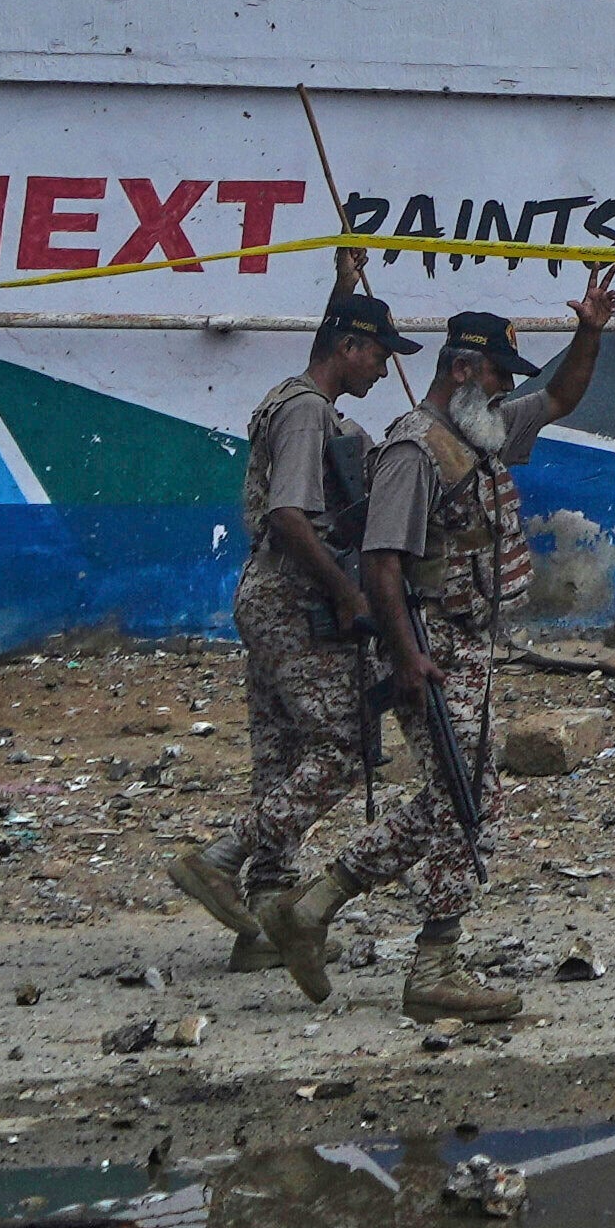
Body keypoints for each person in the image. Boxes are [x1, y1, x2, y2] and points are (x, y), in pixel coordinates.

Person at [346, 283, 615, 1034]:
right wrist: (408, 662)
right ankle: (433, 966)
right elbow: (380, 563)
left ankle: (315, 903)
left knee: (463, 794)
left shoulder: (483, 430)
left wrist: (592, 334)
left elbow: (560, 397)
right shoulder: (416, 447)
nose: (512, 387)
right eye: (501, 373)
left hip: (470, 642)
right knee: (468, 803)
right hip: (429, 648)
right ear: (466, 371)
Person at [180, 284, 418, 1007]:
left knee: (281, 756)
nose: (382, 369)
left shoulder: (291, 402)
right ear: (347, 347)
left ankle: (262, 925)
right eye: (378, 354)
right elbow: (288, 513)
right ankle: (220, 858)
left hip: (269, 595)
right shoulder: (309, 413)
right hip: (293, 597)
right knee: (344, 747)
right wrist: (348, 594)